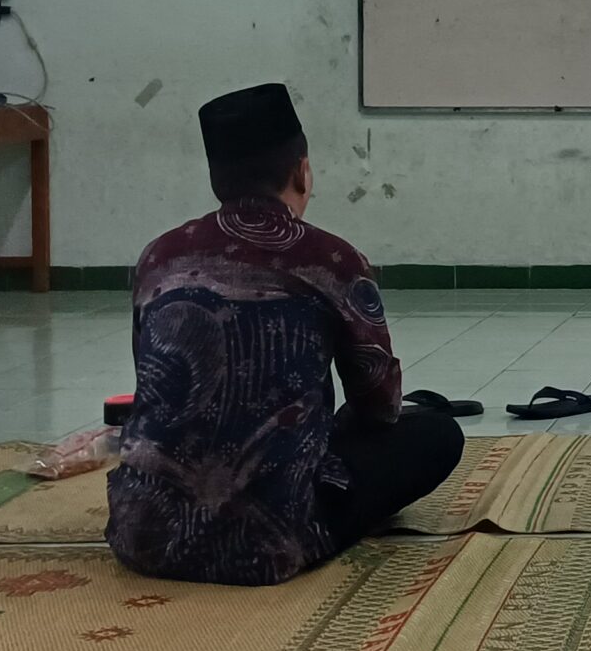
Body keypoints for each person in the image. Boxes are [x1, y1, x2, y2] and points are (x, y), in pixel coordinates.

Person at [107, 83, 462, 586]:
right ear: (302, 171)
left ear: (216, 180)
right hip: (269, 544)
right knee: (436, 435)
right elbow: (380, 406)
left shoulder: (159, 257)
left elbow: (152, 391)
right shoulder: (332, 260)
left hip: (146, 535)